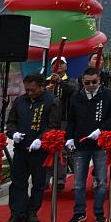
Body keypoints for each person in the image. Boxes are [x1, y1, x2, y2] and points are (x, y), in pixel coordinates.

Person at [1, 73, 61, 222]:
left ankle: (32, 211)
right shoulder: (20, 101)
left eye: (32, 90)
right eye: (27, 89)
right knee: (18, 182)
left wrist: (41, 139)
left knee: (38, 183)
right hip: (21, 149)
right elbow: (11, 122)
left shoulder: (51, 101)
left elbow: (53, 125)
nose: (29, 93)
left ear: (41, 87)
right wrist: (13, 134)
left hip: (39, 150)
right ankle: (17, 212)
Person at [64, 67, 111, 222]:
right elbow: (72, 119)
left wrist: (102, 130)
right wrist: (69, 137)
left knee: (101, 181)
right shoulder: (76, 97)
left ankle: (99, 212)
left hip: (101, 143)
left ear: (99, 80)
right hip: (81, 144)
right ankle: (79, 212)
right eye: (87, 82)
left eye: (94, 82)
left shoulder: (108, 95)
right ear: (82, 81)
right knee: (79, 182)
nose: (90, 85)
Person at [46, 56, 77, 189]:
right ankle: (45, 180)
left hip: (64, 120)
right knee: (47, 149)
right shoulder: (45, 82)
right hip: (48, 121)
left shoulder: (71, 81)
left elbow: (73, 93)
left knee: (63, 150)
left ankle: (60, 180)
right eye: (55, 63)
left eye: (61, 63)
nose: (58, 66)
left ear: (66, 66)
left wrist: (60, 82)